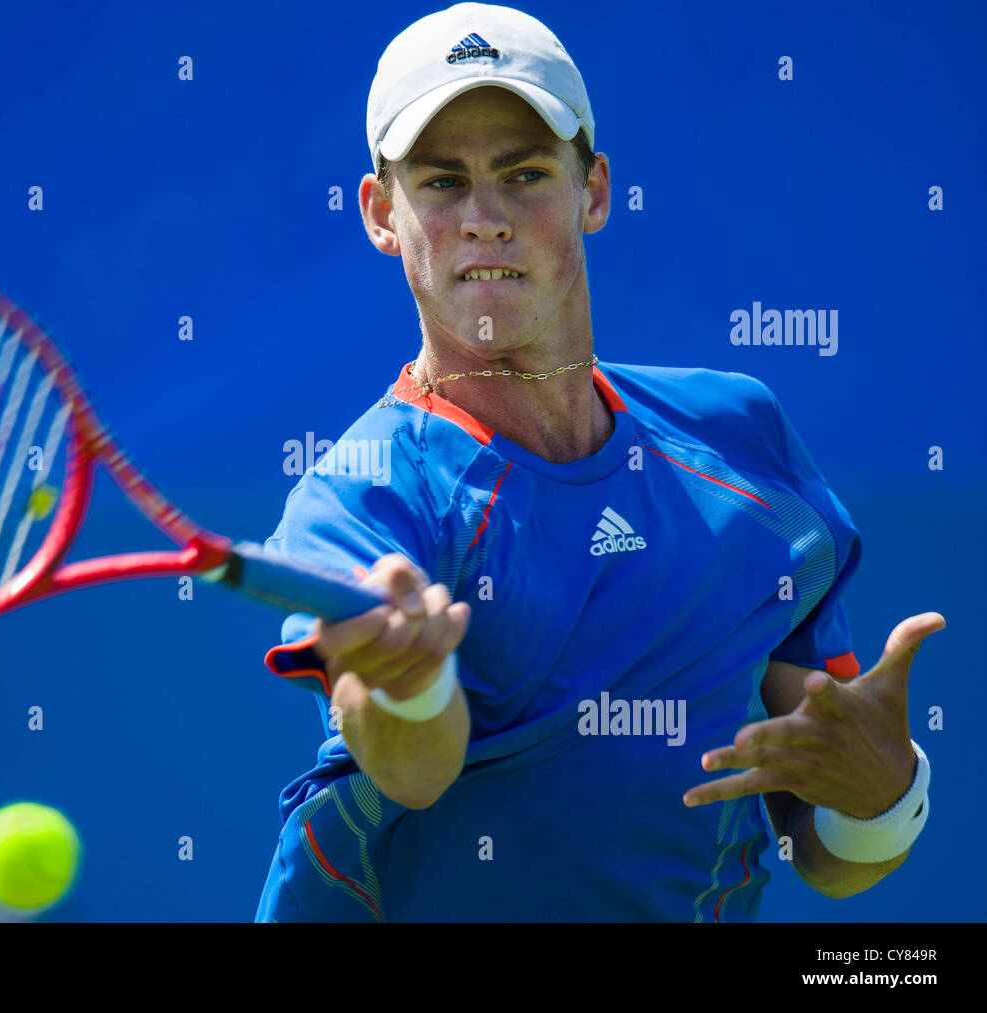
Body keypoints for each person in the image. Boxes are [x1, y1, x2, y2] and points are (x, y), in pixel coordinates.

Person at [254, 2, 941, 922]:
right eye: (443, 181)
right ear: (383, 214)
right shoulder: (360, 498)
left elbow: (818, 837)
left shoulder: (738, 437)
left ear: (595, 191)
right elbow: (413, 770)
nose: (485, 219)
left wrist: (884, 798)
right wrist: (409, 687)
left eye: (525, 173)